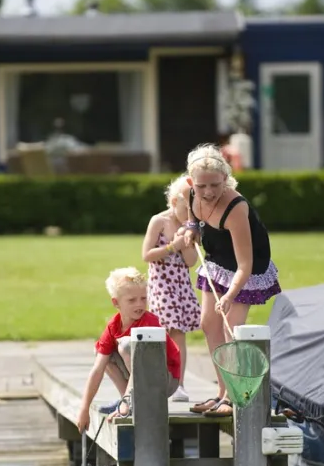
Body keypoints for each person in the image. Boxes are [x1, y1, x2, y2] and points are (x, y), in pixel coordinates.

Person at [174, 143, 281, 417]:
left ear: (225, 179)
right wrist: (190, 230)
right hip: (218, 261)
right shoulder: (190, 194)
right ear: (191, 183)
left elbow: (245, 264)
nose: (208, 192)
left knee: (230, 327)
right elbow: (192, 218)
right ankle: (222, 392)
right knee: (208, 323)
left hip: (245, 269)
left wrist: (230, 295)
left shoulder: (235, 208)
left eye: (215, 185)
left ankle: (235, 396)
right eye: (202, 186)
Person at [76, 267, 182, 433]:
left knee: (126, 345)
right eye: (132, 300)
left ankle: (128, 403)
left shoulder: (149, 322)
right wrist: (84, 408)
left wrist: (126, 405)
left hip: (165, 379)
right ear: (116, 302)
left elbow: (148, 364)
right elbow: (97, 369)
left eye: (143, 298)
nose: (140, 304)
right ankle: (127, 400)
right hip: (142, 377)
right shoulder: (114, 325)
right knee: (102, 354)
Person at [141, 174, 201, 402]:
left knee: (179, 335)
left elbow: (191, 261)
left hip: (181, 286)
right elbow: (146, 254)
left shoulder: (191, 226)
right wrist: (171, 246)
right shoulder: (159, 221)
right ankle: (159, 382)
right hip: (162, 285)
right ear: (174, 202)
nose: (191, 216)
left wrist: (186, 241)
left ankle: (179, 384)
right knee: (163, 333)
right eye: (187, 210)